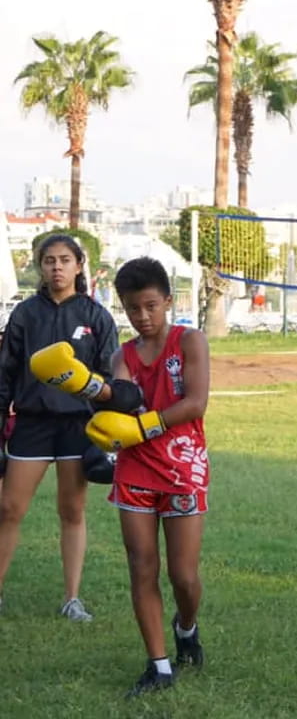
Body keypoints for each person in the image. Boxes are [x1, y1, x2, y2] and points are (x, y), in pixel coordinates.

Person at [84, 256, 210, 697]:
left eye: (151, 306)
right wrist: (90, 389)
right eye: (133, 308)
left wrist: (142, 425)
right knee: (141, 567)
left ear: (168, 301)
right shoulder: (123, 353)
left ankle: (187, 627)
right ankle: (158, 666)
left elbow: (195, 403)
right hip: (135, 468)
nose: (143, 316)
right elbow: (122, 396)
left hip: (182, 465)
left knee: (183, 576)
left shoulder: (190, 341)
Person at [0, 234, 118, 620]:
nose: (57, 267)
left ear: (79, 265)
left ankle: (71, 598)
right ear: (40, 267)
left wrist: (106, 427)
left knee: (72, 510)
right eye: (49, 260)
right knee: (9, 508)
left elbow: (110, 378)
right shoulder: (24, 314)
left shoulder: (96, 315)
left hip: (76, 426)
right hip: (32, 422)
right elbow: (5, 372)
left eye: (65, 259)